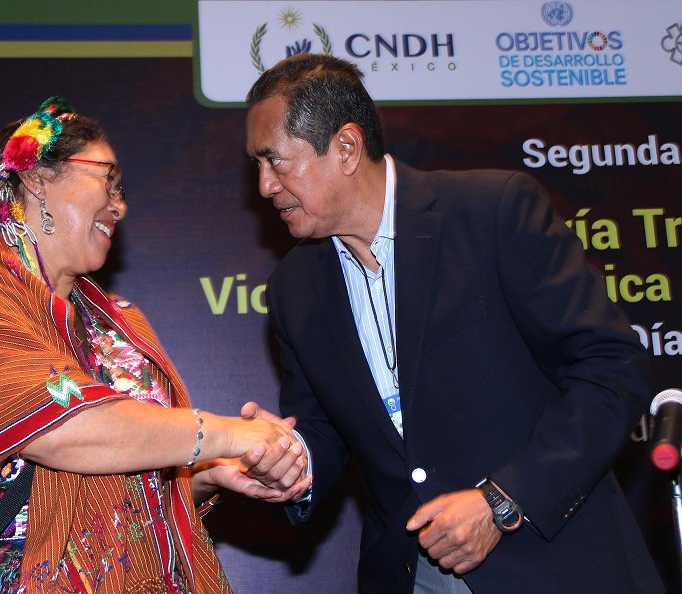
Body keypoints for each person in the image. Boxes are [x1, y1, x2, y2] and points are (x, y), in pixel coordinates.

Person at [0, 97, 308, 594]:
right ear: (37, 180)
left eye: (121, 188)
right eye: (108, 179)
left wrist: (210, 475)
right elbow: (60, 424)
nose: (120, 205)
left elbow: (122, 489)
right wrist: (227, 435)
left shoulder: (118, 321)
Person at [242, 54, 663, 593]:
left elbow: (611, 369)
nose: (264, 186)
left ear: (346, 148)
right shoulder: (293, 288)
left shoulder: (491, 213)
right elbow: (324, 430)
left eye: (275, 161)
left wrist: (502, 501)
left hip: (551, 562)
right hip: (408, 573)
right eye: (258, 165)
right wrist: (290, 461)